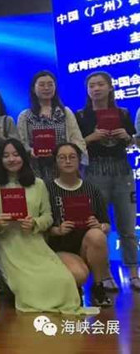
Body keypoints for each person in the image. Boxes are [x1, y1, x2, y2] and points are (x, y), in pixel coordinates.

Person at [0, 139, 96, 314]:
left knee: (63, 279)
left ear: (23, 157)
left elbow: (48, 217)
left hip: (36, 245)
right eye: (6, 156)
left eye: (16, 154)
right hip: (9, 247)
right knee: (29, 285)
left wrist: (35, 223)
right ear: (0, 160)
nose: (11, 159)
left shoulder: (38, 184)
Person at [75, 71, 138, 291]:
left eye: (100, 84)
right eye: (91, 85)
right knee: (99, 226)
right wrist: (90, 138)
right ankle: (104, 274)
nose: (96, 89)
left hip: (122, 172)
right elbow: (73, 145)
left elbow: (133, 140)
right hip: (94, 172)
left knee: (127, 226)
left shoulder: (123, 113)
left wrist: (127, 137)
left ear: (110, 87)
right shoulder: (81, 116)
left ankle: (134, 273)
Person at [46, 143, 112, 307]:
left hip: (85, 246)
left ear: (79, 160)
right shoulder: (47, 189)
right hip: (58, 248)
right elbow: (41, 228)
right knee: (79, 275)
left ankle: (98, 287)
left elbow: (107, 224)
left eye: (72, 157)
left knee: (97, 235)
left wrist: (99, 226)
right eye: (62, 157)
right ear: (56, 162)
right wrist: (57, 230)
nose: (68, 161)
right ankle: (73, 287)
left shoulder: (92, 189)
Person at [17, 70, 86, 181]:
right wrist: (30, 151)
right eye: (42, 85)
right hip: (35, 169)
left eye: (50, 84)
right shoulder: (25, 116)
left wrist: (67, 154)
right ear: (33, 88)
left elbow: (76, 139)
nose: (46, 88)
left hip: (62, 168)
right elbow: (21, 143)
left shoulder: (65, 112)